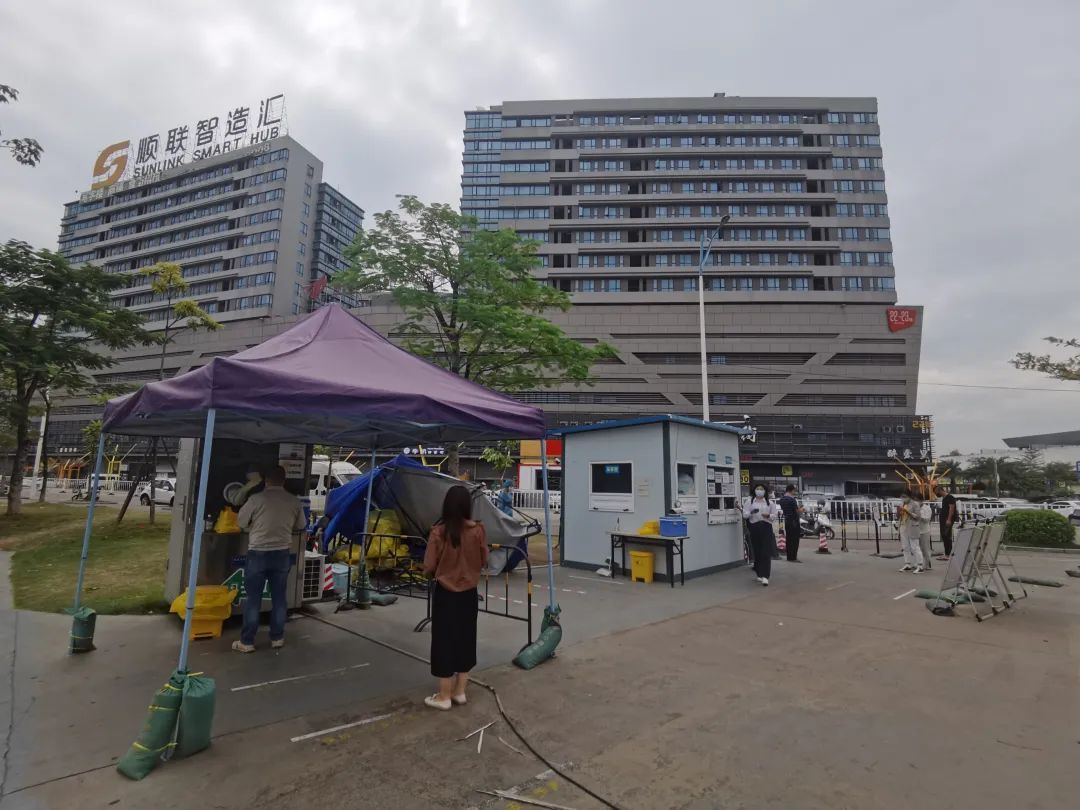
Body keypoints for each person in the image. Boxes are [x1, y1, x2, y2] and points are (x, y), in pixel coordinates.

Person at [422, 485, 489, 710]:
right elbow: (484, 559)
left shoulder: (438, 532)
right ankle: (460, 691)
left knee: (443, 641)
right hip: (469, 594)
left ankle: (443, 696)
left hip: (445, 594)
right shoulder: (478, 530)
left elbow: (429, 565)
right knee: (465, 639)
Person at [232, 465, 306, 653]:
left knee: (253, 599)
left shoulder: (256, 499)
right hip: (282, 553)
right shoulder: (294, 501)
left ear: (265, 481)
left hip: (258, 552)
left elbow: (241, 521)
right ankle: (277, 638)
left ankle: (247, 642)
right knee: (279, 598)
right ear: (284, 480)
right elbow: (301, 525)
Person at [743, 484, 780, 586]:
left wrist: (768, 515)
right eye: (757, 489)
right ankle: (759, 573)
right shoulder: (749, 501)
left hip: (766, 527)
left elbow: (774, 516)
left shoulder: (770, 503)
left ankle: (765, 576)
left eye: (762, 489)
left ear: (765, 491)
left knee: (766, 551)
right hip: (754, 527)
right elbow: (745, 515)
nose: (759, 490)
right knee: (757, 551)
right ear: (754, 490)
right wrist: (751, 512)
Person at [897, 491, 925, 574]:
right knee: (905, 546)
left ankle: (920, 565)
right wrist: (899, 512)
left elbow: (918, 517)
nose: (903, 498)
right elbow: (899, 516)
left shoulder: (915, 504)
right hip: (903, 526)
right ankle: (907, 564)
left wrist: (907, 511)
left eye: (904, 496)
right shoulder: (902, 504)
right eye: (902, 496)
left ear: (909, 496)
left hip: (912, 526)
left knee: (915, 546)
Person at [777, 484, 804, 562]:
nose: (794, 492)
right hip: (794, 521)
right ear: (791, 490)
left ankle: (789, 557)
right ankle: (793, 557)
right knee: (794, 540)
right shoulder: (792, 500)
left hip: (787, 520)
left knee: (788, 539)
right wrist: (802, 509)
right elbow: (797, 511)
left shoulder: (782, 499)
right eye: (794, 490)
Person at [936, 485, 957, 560]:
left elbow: (951, 509)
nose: (937, 494)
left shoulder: (950, 497)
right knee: (944, 536)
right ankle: (946, 553)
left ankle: (948, 554)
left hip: (947, 519)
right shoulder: (944, 498)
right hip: (943, 519)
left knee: (946, 535)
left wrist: (949, 519)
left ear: (940, 490)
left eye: (937, 492)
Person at [916, 492, 934, 570]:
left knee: (925, 548)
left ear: (921, 500)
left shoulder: (927, 508)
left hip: (924, 531)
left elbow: (927, 519)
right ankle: (919, 563)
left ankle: (927, 563)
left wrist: (919, 515)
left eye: (917, 500)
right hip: (915, 530)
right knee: (917, 548)